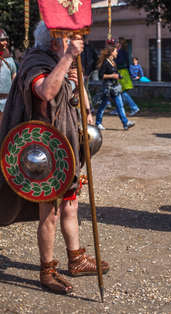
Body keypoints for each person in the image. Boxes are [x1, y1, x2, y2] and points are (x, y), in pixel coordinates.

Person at [0, 20, 109, 294]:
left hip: (66, 149)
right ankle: (47, 270)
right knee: (49, 213)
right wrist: (69, 58)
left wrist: (77, 80)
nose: (75, 43)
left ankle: (77, 259)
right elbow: (46, 92)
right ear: (53, 41)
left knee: (70, 206)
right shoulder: (35, 62)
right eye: (68, 38)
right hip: (43, 153)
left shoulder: (62, 63)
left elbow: (83, 105)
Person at [95, 44, 135, 130]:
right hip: (108, 89)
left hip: (115, 88)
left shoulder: (113, 62)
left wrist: (118, 76)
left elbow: (114, 73)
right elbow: (101, 75)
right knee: (103, 106)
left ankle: (125, 123)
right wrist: (112, 76)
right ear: (111, 52)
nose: (117, 53)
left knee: (120, 106)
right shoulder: (105, 62)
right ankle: (98, 123)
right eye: (116, 51)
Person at [116, 38, 140, 116]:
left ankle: (134, 107)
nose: (115, 43)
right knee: (120, 92)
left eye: (117, 42)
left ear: (120, 44)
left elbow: (121, 62)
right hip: (123, 72)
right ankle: (119, 109)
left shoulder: (121, 52)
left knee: (121, 92)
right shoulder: (122, 51)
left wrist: (114, 62)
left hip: (122, 72)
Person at [0, 28, 17, 127]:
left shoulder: (9, 61)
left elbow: (15, 81)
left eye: (6, 39)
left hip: (7, 102)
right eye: (2, 40)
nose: (5, 42)